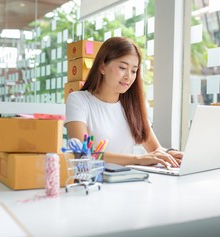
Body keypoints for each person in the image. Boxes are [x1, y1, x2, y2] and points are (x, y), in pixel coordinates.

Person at [65, 37, 183, 167]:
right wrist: (137, 159)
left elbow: (155, 150)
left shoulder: (133, 105)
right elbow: (83, 152)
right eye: (122, 67)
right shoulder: (78, 100)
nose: (128, 76)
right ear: (102, 66)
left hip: (127, 181)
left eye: (133, 71)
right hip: (95, 182)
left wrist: (172, 154)